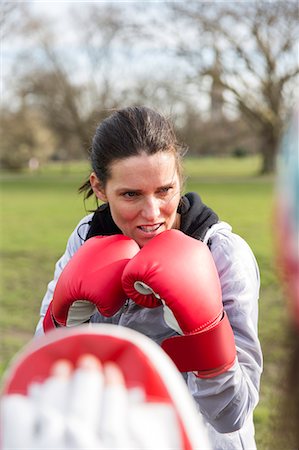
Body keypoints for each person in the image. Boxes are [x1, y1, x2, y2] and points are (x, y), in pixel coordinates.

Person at [35, 106, 263, 450]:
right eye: (131, 194)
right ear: (99, 187)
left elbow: (233, 415)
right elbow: (45, 367)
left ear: (180, 180)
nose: (153, 213)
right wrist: (61, 325)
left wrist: (206, 341)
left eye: (164, 190)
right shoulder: (85, 238)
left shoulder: (222, 254)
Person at [1, 325, 211, 449]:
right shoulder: (79, 249)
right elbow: (46, 344)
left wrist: (207, 336)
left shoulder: (223, 255)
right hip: (111, 404)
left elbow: (233, 417)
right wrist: (63, 320)